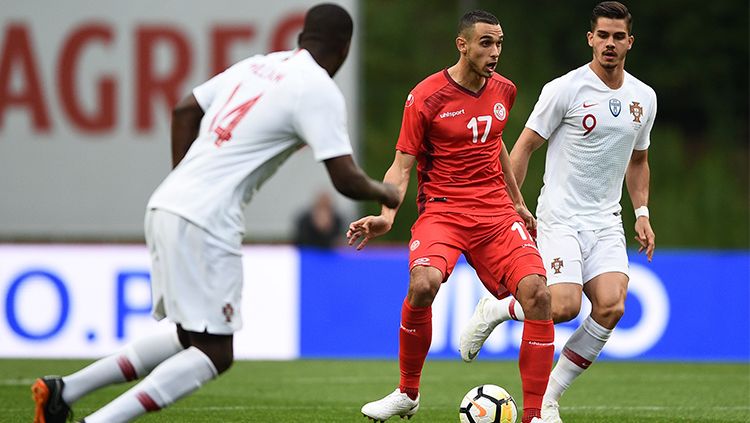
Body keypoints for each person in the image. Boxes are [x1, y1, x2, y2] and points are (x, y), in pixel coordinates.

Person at [30, 4, 399, 423]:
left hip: (167, 203)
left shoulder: (261, 65)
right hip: (204, 220)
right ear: (344, 47)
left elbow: (185, 109)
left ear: (303, 37)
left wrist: (187, 182)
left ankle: (64, 391)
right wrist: (387, 191)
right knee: (214, 353)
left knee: (190, 337)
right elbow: (346, 179)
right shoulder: (317, 88)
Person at [347, 10, 553, 423]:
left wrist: (517, 201)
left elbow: (495, 145)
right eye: (485, 43)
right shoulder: (425, 97)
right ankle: (407, 392)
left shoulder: (504, 90)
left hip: (495, 211)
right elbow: (401, 165)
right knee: (423, 284)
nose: (495, 52)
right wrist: (387, 214)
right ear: (462, 45)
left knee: (538, 295)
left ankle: (534, 416)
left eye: (499, 43)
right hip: (444, 210)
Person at [459, 2, 656, 422]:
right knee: (562, 306)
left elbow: (638, 161)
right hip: (561, 216)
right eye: (602, 35)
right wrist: (510, 203)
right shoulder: (564, 89)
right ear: (590, 39)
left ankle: (548, 398)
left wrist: (641, 211)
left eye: (618, 36)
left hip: (605, 220)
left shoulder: (644, 98)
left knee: (611, 306)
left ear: (629, 42)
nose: (609, 44)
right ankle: (496, 309)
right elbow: (524, 146)